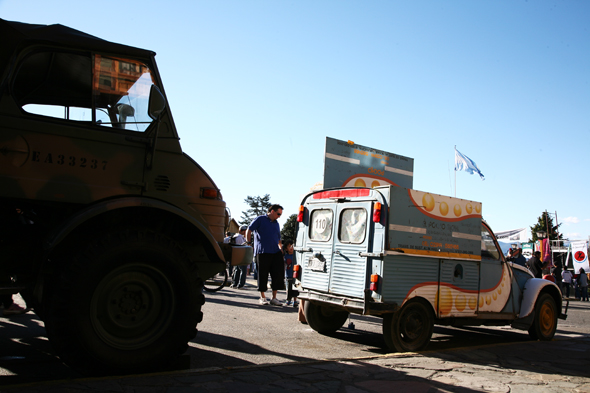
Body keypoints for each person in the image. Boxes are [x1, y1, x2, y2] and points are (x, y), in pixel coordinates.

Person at [247, 204, 285, 306]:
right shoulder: (260, 219)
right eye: (278, 214)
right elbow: (249, 229)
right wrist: (249, 243)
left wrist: (281, 249)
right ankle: (262, 297)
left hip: (275, 252)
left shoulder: (276, 223)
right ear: (272, 211)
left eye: (280, 214)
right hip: (262, 252)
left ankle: (274, 298)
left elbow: (278, 238)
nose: (279, 216)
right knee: (262, 275)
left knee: (277, 274)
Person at [283, 240, 299, 307]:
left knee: (295, 288)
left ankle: (295, 301)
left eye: (292, 246)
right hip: (288, 275)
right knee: (288, 288)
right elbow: (284, 265)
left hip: (295, 275)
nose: (291, 247)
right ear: (286, 249)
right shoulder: (285, 256)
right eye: (289, 246)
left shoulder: (296, 256)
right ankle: (288, 299)